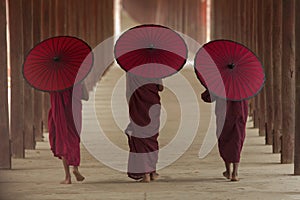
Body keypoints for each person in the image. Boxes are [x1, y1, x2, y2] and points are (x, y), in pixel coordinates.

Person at [201, 90, 248, 181]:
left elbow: (208, 97)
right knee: (237, 140)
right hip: (239, 113)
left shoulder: (221, 83)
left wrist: (205, 93)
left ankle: (228, 170)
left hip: (224, 115)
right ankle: (235, 172)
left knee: (224, 139)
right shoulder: (242, 85)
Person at [124, 73, 163, 182]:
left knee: (140, 135)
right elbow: (160, 87)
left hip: (137, 104)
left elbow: (128, 91)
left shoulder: (131, 68)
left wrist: (131, 105)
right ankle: (152, 171)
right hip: (153, 103)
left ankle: (145, 172)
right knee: (152, 136)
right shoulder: (154, 67)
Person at [48, 82, 88, 184]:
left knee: (62, 138)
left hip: (59, 112)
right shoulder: (77, 77)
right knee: (74, 137)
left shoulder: (53, 79)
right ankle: (75, 168)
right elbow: (85, 96)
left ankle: (67, 177)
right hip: (74, 111)